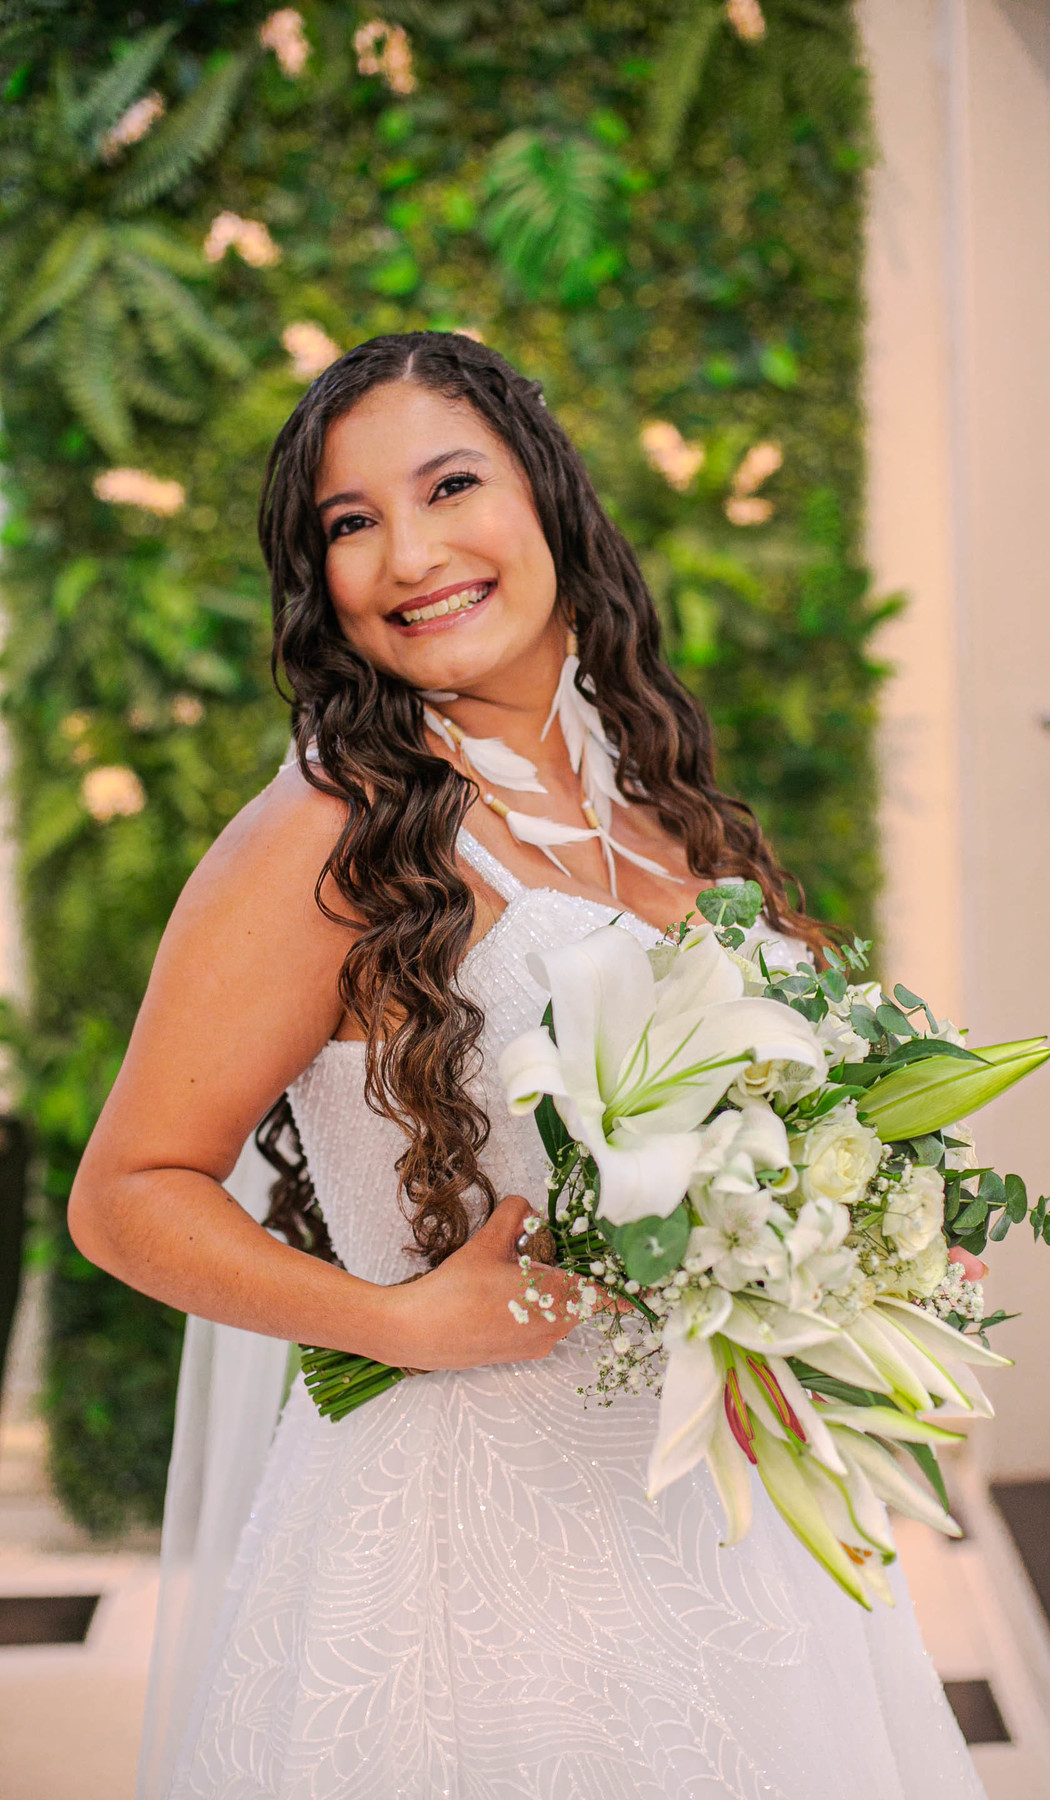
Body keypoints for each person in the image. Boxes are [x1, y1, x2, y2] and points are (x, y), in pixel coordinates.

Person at [69, 331, 987, 1799]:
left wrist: (872, 1257)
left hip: (712, 1525)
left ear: (549, 498)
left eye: (449, 487)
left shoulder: (657, 796)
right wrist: (405, 1322)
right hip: (470, 1554)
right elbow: (125, 1195)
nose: (410, 552)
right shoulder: (327, 832)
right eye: (351, 524)